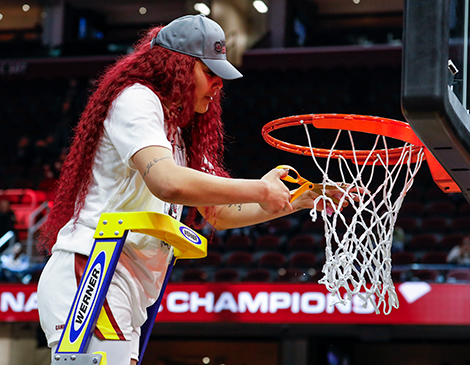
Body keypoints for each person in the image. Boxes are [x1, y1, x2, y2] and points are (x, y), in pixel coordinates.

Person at [37, 14, 342, 365]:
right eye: (209, 73)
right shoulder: (137, 100)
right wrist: (259, 188)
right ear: (178, 67)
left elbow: (221, 213)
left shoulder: (181, 134)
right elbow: (167, 183)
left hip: (124, 282)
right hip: (92, 270)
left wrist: (295, 201)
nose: (218, 85)